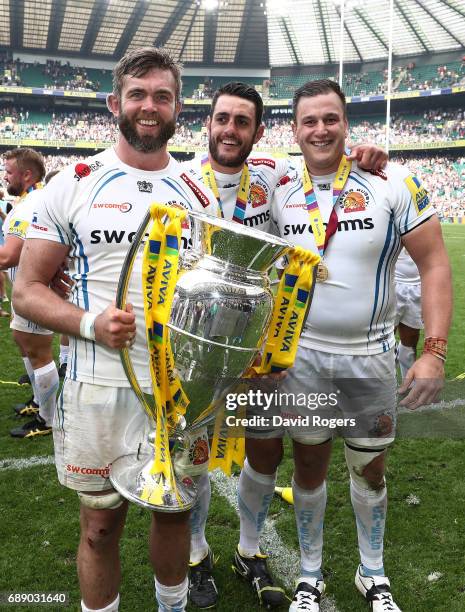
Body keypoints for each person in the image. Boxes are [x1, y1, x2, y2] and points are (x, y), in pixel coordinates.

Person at [13, 47, 218, 612]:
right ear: (115, 103)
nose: (149, 107)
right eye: (137, 94)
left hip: (181, 391)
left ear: (178, 108)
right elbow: (26, 289)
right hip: (97, 384)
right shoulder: (73, 184)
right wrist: (88, 324)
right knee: (100, 526)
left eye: (162, 96)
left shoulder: (202, 192)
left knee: (173, 511)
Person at [182, 81, 390, 609]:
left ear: (259, 131)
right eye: (222, 118)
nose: (230, 130)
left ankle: (248, 552)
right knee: (193, 455)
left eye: (242, 122)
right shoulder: (180, 183)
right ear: (207, 123)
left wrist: (367, 153)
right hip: (194, 341)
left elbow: (333, 167)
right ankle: (195, 552)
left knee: (266, 451)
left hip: (260, 346)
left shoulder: (276, 177)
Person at [255, 79, 450, 612]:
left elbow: (433, 265)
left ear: (345, 123)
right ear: (293, 131)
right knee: (309, 467)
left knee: (370, 469)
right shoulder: (278, 191)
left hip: (370, 358)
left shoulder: (391, 182)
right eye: (309, 121)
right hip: (304, 359)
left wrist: (432, 350)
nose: (320, 129)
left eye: (330, 119)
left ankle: (373, 574)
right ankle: (310, 577)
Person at [0, 148, 59, 437]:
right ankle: (39, 402)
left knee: (38, 351)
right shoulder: (28, 200)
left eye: (9, 171)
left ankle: (48, 420)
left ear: (26, 174)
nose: (5, 176)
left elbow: (9, 256)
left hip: (34, 288)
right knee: (23, 341)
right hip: (26, 287)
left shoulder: (29, 205)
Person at [394, 247, 422, 380]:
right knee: (382, 338)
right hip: (390, 283)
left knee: (410, 340)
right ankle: (382, 386)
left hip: (416, 284)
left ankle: (409, 385)